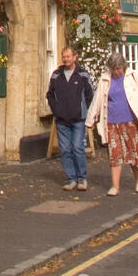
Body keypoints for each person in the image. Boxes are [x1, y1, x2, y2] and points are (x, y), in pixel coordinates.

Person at [86, 50, 138, 196]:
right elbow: (97, 100)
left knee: (134, 153)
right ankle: (115, 186)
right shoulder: (105, 79)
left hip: (131, 121)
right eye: (113, 69)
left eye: (118, 69)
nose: (116, 72)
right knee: (115, 155)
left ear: (123, 66)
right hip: (111, 123)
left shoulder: (134, 76)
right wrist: (90, 119)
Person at [46, 44, 95, 191]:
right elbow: (50, 95)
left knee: (77, 147)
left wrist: (82, 110)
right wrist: (56, 110)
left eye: (68, 56)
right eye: (64, 56)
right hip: (61, 120)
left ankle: (82, 178)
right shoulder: (56, 74)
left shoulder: (82, 74)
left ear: (75, 57)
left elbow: (90, 94)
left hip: (78, 119)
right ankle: (71, 178)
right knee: (65, 150)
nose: (65, 59)